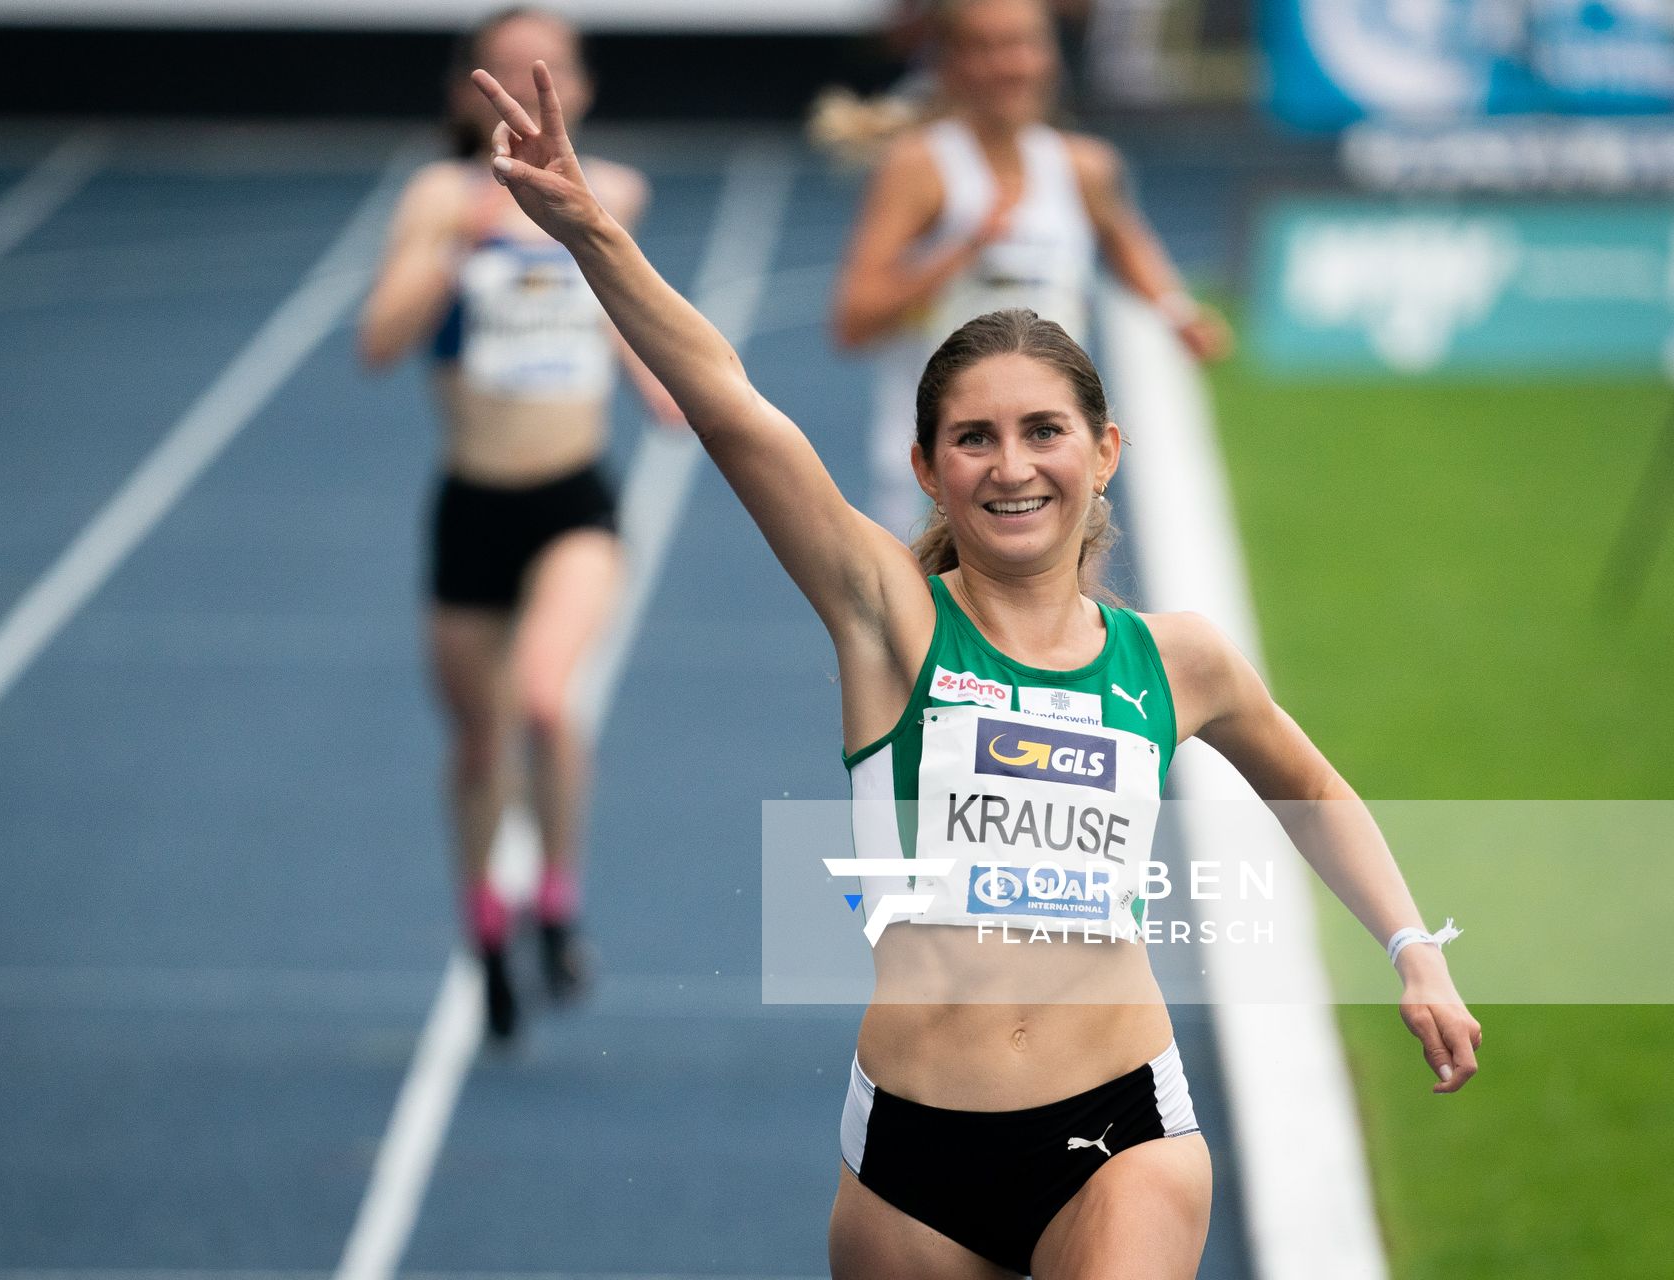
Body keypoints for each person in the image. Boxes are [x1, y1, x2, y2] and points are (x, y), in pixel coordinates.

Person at [471, 60, 1481, 1279]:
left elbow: (1310, 788)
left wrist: (1410, 943)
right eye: (977, 437)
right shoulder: (886, 617)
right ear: (930, 463)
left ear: (1105, 451)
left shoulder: (1177, 658)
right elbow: (732, 404)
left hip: (1121, 1131)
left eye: (1045, 430)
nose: (1014, 465)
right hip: (909, 1164)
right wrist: (590, 231)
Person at [358, 7, 680, 1040]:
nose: (519, 92)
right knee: (476, 738)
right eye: (495, 74)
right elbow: (379, 340)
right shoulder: (434, 201)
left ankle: (558, 894)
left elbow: (627, 309)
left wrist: (664, 385)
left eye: (542, 74)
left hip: (573, 497)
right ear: (466, 91)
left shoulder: (612, 190)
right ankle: (486, 923)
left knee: (544, 697)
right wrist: (463, 238)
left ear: (575, 88)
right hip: (470, 506)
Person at [830, 0, 1229, 535]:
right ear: (949, 64)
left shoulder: (1082, 166)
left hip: (1050, 471)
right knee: (935, 620)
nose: (1010, 64)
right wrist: (961, 252)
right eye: (987, 48)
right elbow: (853, 322)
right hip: (947, 482)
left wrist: (1179, 314)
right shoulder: (920, 168)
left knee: (1060, 613)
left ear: (1050, 56)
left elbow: (1124, 238)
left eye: (1022, 44)